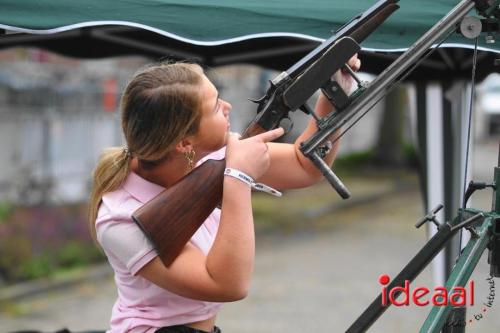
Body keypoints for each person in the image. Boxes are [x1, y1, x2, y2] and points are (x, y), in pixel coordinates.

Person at [88, 56, 360, 333]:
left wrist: (335, 93)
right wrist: (238, 179)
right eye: (216, 106)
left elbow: (305, 166)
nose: (228, 107)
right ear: (184, 142)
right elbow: (228, 285)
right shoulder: (119, 218)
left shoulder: (210, 156)